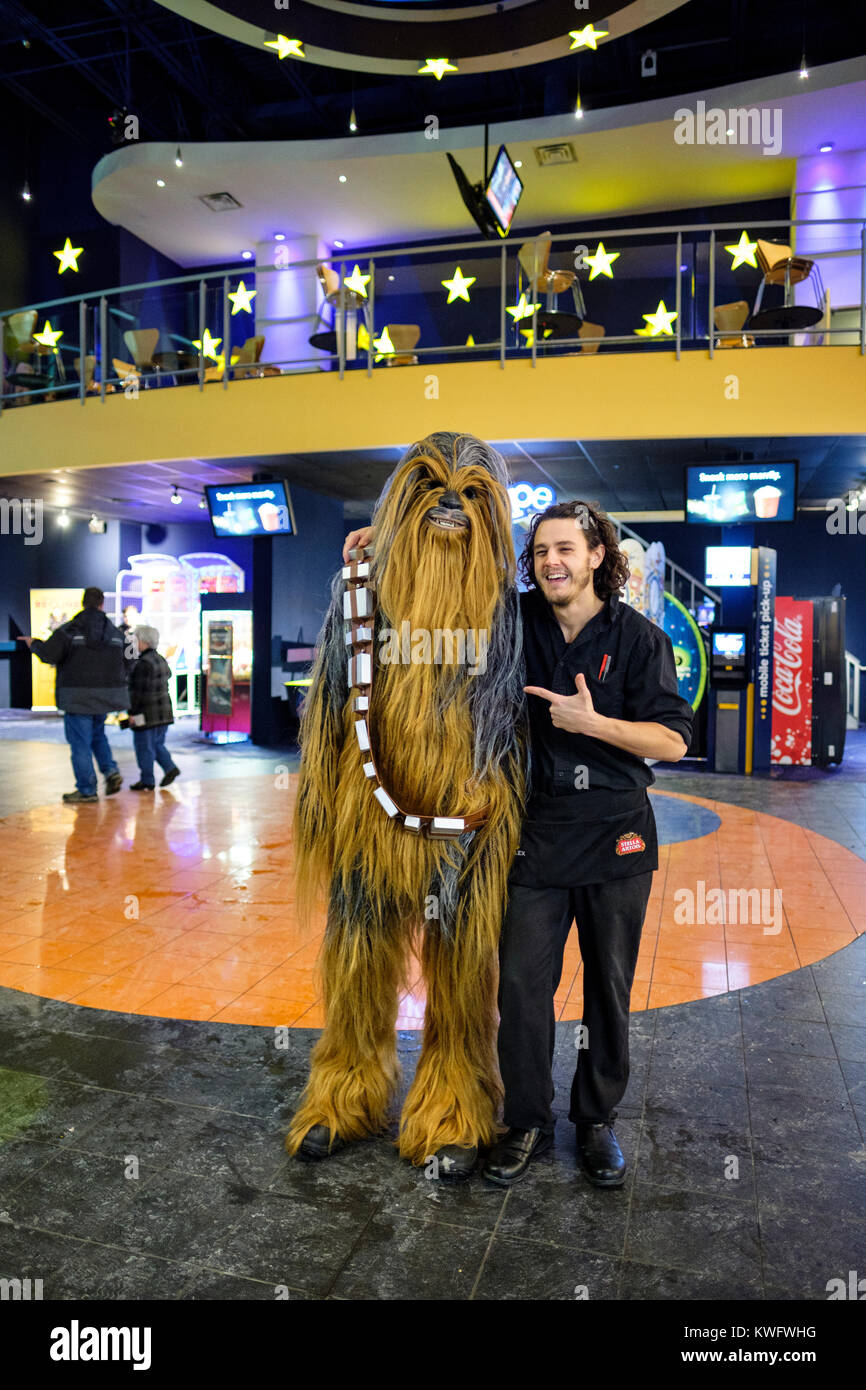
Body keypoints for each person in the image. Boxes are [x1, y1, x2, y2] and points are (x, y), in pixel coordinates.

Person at [343, 495, 693, 1189]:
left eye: (566, 548)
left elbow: (674, 741)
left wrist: (592, 726)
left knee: (609, 986)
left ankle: (596, 1123)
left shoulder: (640, 639)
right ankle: (526, 1120)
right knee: (523, 987)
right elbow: (450, 582)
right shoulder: (511, 621)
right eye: (540, 552)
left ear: (598, 556)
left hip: (615, 837)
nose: (552, 561)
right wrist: (391, 539)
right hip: (530, 838)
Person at [18, 586, 127, 804]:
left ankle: (87, 789)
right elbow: (130, 660)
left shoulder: (69, 630)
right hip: (105, 697)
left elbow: (49, 655)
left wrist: (34, 644)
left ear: (83, 602)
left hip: (76, 697)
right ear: (102, 604)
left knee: (80, 743)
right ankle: (110, 770)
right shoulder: (115, 633)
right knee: (98, 735)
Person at [127, 625, 180, 791]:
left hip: (146, 712)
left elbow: (138, 692)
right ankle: (170, 768)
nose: (134, 643)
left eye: (136, 639)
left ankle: (147, 780)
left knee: (144, 746)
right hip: (163, 711)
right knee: (157, 743)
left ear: (143, 641)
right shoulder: (160, 659)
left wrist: (132, 713)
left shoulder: (142, 664)